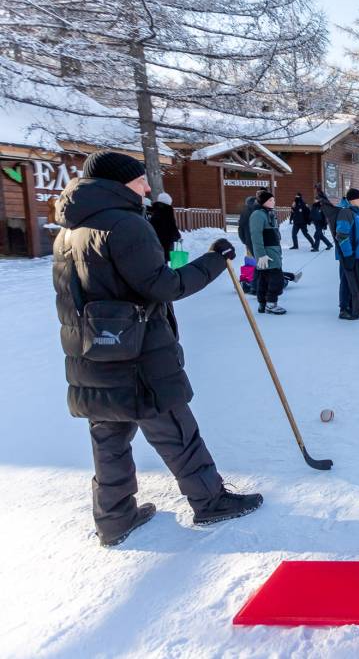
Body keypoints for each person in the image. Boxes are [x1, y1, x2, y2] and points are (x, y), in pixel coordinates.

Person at [52, 151, 261, 547]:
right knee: (175, 428)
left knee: (109, 436)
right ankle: (209, 499)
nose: (147, 187)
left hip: (91, 352)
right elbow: (164, 286)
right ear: (118, 184)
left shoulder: (68, 231)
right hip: (138, 353)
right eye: (139, 181)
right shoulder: (125, 225)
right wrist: (215, 260)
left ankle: (114, 517)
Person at [249, 191, 286, 315]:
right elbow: (256, 235)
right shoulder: (258, 215)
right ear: (263, 202)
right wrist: (261, 255)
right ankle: (270, 303)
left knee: (265, 279)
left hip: (273, 252)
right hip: (267, 253)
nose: (273, 202)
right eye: (270, 200)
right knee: (276, 279)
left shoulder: (269, 213)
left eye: (273, 200)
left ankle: (263, 303)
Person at [335, 188, 359, 320]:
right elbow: (342, 235)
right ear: (353, 199)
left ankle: (354, 306)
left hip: (357, 254)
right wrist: (348, 254)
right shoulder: (345, 212)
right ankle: (344, 309)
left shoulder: (357, 213)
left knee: (354, 282)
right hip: (349, 255)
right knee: (346, 281)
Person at [147, 191, 181, 263]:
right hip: (165, 241)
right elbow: (172, 226)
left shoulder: (153, 210)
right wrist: (178, 236)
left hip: (154, 240)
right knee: (163, 262)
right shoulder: (168, 210)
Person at [237, 189, 266, 257]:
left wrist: (245, 241)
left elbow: (240, 227)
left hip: (249, 241)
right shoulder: (266, 210)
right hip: (264, 243)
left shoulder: (245, 211)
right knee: (265, 264)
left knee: (250, 264)